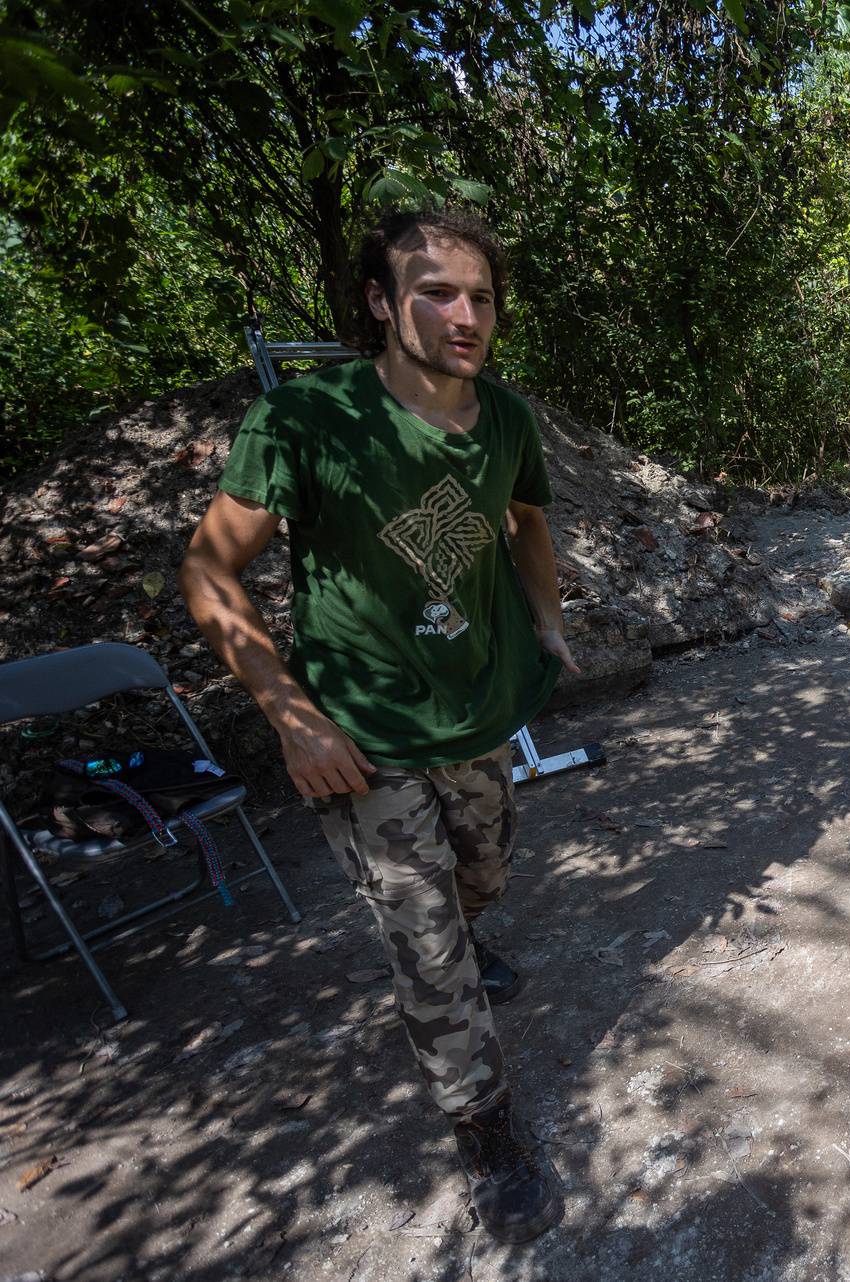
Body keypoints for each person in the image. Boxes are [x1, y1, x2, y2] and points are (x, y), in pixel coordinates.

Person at [179, 208, 576, 1244]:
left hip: (478, 710)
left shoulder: (505, 420)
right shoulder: (310, 422)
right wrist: (290, 713)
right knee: (428, 944)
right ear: (377, 301)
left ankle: (466, 926)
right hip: (364, 735)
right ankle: (486, 1131)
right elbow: (209, 568)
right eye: (437, 291)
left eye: (481, 296)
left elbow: (527, 520)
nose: (465, 314)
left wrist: (546, 617)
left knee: (483, 869)